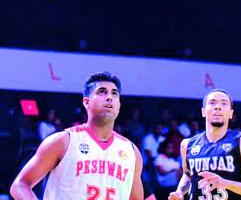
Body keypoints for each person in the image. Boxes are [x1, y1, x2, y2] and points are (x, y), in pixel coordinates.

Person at [10, 71, 144, 200]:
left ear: (119, 105)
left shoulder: (131, 151)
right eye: (102, 92)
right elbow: (20, 185)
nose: (110, 97)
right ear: (86, 102)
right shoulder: (63, 141)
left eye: (114, 94)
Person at [168, 89, 241, 200]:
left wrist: (226, 183)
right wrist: (180, 192)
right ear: (203, 111)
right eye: (212, 102)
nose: (218, 107)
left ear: (231, 113)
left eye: (224, 103)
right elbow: (188, 176)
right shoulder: (187, 144)